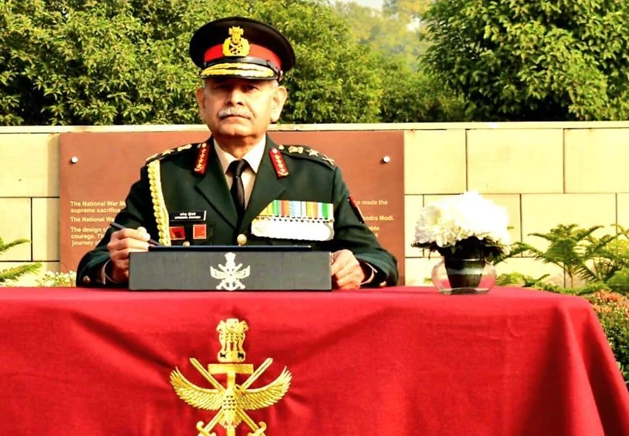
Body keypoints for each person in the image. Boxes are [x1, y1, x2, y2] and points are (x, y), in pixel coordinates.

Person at [77, 17, 398, 290]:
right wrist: (115, 265)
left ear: (276, 103)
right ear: (202, 101)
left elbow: (379, 259)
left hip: (292, 338)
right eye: (221, 86)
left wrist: (357, 268)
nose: (234, 99)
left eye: (250, 88)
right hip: (192, 338)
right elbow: (94, 262)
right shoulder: (165, 176)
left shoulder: (318, 177)